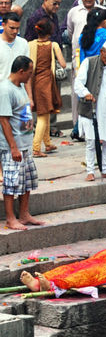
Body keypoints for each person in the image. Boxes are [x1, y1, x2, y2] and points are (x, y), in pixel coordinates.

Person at [0, 56, 45, 230]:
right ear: (21, 71)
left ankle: (24, 214)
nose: (30, 76)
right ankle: (11, 218)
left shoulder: (20, 88)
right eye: (29, 72)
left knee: (27, 181)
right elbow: (3, 120)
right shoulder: (5, 89)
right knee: (11, 183)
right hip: (13, 145)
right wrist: (13, 147)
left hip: (25, 142)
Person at [74, 37, 106, 181]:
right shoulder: (89, 62)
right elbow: (78, 83)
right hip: (92, 108)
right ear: (101, 51)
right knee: (91, 141)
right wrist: (86, 94)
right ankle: (90, 171)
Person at [26, 19, 64, 157]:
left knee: (46, 112)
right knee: (43, 115)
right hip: (47, 82)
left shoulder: (30, 44)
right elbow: (63, 64)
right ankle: (36, 148)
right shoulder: (53, 45)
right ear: (51, 31)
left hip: (34, 82)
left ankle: (47, 143)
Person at [65, 0, 98, 67]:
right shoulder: (74, 11)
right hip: (78, 50)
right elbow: (70, 32)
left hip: (97, 51)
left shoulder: (102, 11)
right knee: (78, 75)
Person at [0, 13, 28, 79]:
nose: (15, 31)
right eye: (12, 28)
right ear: (3, 25)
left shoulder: (23, 43)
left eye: (17, 28)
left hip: (19, 87)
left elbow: (27, 71)